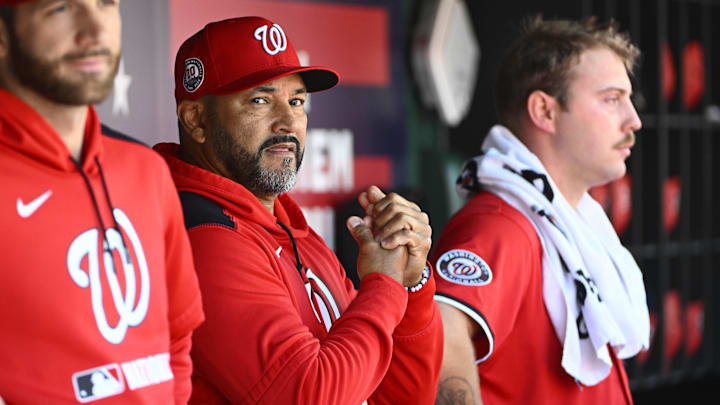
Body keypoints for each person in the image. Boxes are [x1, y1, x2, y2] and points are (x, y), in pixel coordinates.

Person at [153, 16, 443, 404]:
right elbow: (307, 396)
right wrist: (385, 285)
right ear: (197, 120)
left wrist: (411, 285)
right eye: (260, 100)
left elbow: (402, 396)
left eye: (297, 101)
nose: (288, 121)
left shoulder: (292, 232)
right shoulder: (205, 237)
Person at [432, 16, 650, 405]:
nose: (632, 120)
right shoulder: (501, 226)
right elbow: (438, 343)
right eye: (611, 99)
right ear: (545, 112)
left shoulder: (571, 221)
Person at [0, 1, 204, 403]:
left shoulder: (147, 170)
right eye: (60, 7)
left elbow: (177, 339)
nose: (94, 30)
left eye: (106, 3)